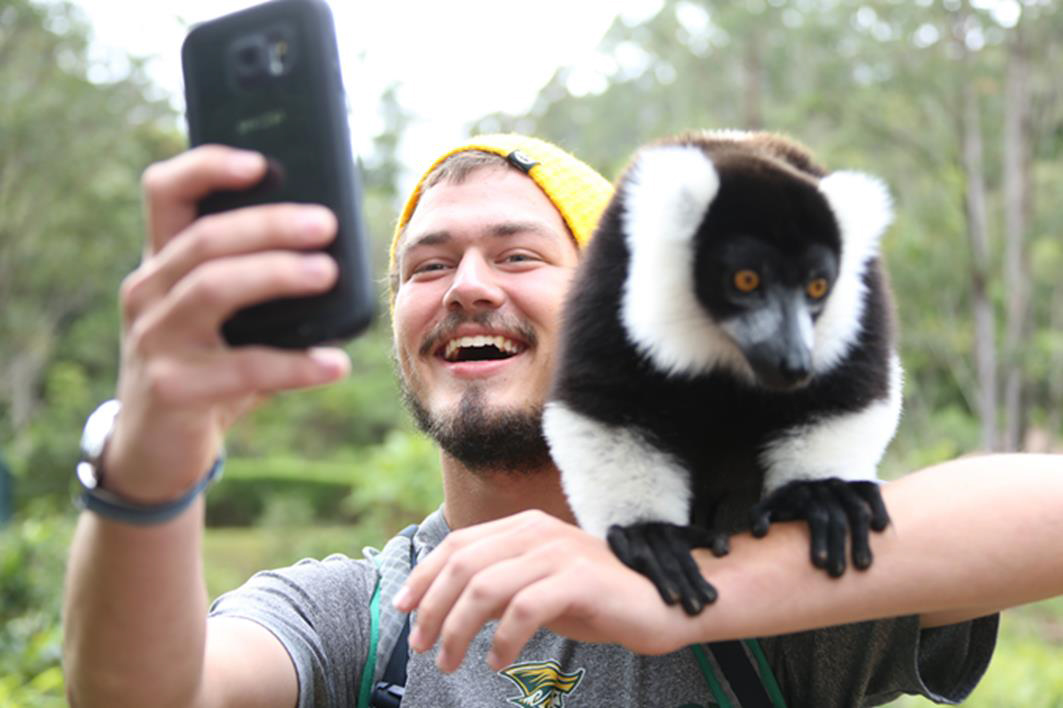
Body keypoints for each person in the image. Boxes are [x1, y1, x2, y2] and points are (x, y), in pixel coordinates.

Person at [62, 134, 1063, 708]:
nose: (464, 288)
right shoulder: (359, 619)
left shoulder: (769, 590)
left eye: (518, 256)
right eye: (425, 265)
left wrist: (693, 591)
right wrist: (149, 447)